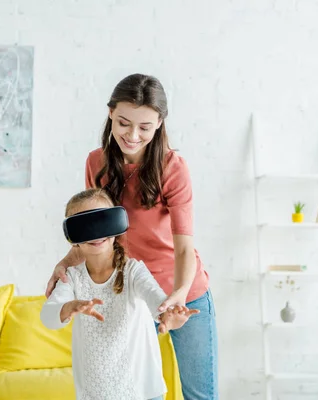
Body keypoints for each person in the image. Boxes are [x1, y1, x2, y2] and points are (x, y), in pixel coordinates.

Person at [45, 73, 218, 399]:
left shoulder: (172, 167)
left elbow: (184, 249)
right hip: (131, 294)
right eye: (124, 123)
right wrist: (66, 262)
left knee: (199, 394)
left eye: (145, 127)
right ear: (110, 112)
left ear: (159, 123)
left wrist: (179, 294)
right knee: (129, 390)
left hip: (185, 293)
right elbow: (94, 235)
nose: (133, 135)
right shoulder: (96, 163)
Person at [41, 188, 199, 400]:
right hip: (94, 393)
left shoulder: (133, 271)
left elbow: (156, 298)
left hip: (142, 391)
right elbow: (48, 316)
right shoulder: (73, 278)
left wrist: (168, 314)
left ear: (115, 226)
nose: (96, 233)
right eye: (85, 225)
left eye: (102, 221)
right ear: (73, 236)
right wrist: (70, 307)